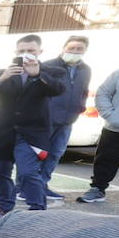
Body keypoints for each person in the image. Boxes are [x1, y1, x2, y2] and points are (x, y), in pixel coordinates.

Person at [0, 33, 66, 220]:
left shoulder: (50, 72)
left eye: (31, 50)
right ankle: (5, 207)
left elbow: (58, 90)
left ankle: (38, 210)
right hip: (1, 131)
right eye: (22, 51)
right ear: (15, 52)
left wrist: (37, 75)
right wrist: (2, 79)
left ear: (40, 52)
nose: (26, 54)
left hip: (31, 133)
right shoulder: (3, 72)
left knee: (27, 173)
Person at [37, 34, 92, 201]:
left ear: (85, 51)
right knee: (37, 154)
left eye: (79, 49)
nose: (75, 52)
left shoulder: (85, 69)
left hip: (67, 120)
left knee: (55, 154)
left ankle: (42, 184)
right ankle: (25, 186)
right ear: (64, 48)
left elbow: (84, 90)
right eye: (71, 48)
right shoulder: (48, 66)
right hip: (45, 119)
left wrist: (80, 107)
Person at [77, 64, 119, 204]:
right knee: (105, 161)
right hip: (116, 128)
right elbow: (103, 93)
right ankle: (97, 189)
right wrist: (111, 116)